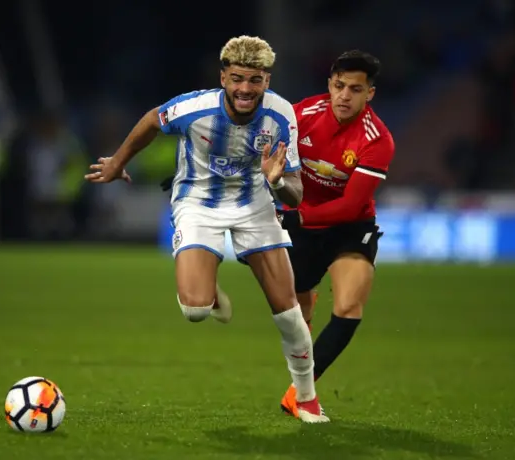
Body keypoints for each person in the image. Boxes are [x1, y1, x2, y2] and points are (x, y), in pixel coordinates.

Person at [85, 35, 329, 423]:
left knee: (289, 313)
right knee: (194, 310)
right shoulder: (193, 107)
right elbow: (152, 120)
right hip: (198, 203)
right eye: (236, 78)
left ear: (266, 80)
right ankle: (207, 287)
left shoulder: (281, 116)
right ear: (223, 77)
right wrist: (117, 161)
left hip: (255, 205)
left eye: (254, 79)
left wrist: (278, 181)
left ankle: (307, 398)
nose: (245, 89)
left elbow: (296, 194)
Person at [275, 50, 395, 417]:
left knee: (348, 306)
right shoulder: (298, 117)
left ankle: (300, 393)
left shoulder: (377, 140)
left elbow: (347, 206)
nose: (344, 96)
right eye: (339, 86)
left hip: (348, 228)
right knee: (298, 306)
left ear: (369, 94)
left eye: (355, 89)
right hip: (304, 226)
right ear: (329, 84)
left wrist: (296, 217)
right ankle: (303, 337)